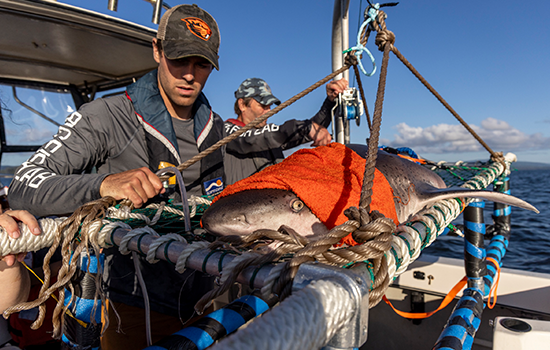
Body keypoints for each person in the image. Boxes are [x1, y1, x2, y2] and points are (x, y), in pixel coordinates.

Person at [7, 4, 225, 349]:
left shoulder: (218, 130)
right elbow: (24, 184)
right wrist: (103, 185)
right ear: (157, 50)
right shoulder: (106, 115)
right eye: (179, 59)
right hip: (125, 306)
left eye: (201, 64)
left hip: (208, 298)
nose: (189, 75)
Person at [224, 77, 348, 184]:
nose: (269, 111)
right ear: (242, 105)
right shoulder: (227, 131)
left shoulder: (268, 135)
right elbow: (250, 140)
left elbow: (310, 131)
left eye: (269, 106)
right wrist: (304, 127)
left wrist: (330, 102)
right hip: (241, 209)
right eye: (263, 105)